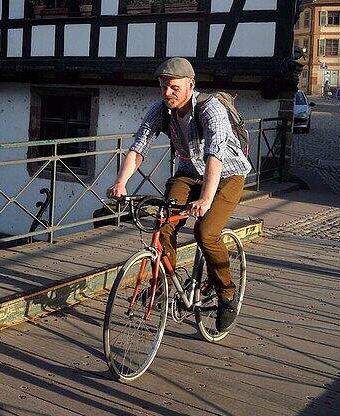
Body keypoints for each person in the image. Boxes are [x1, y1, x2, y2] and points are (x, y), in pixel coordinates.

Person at [107, 57, 251, 332]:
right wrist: (121, 182)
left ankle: (226, 294)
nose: (167, 93)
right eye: (163, 87)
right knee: (163, 226)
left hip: (227, 175)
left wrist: (206, 199)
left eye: (173, 87)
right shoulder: (160, 110)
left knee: (206, 232)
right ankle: (161, 287)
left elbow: (214, 156)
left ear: (190, 84)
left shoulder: (211, 110)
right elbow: (139, 147)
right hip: (188, 173)